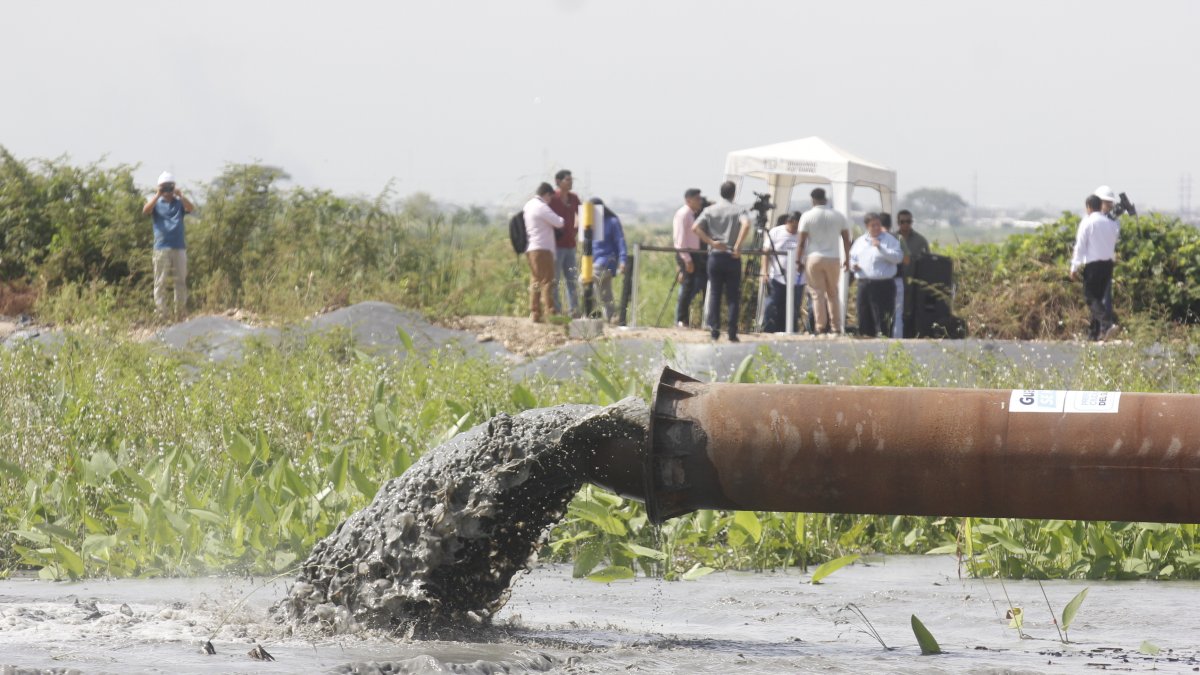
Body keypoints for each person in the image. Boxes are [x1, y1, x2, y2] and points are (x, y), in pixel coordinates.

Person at [693, 181, 751, 342]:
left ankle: (715, 330)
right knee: (733, 295)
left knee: (714, 293)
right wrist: (738, 246)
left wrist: (711, 242)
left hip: (715, 255)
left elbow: (695, 228)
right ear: (734, 193)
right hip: (732, 255)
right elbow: (746, 224)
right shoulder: (739, 210)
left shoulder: (710, 210)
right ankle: (732, 332)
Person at [798, 188, 851, 335]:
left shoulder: (807, 216)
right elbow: (847, 239)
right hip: (834, 258)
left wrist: (798, 260)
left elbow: (801, 241)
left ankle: (820, 326)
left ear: (812, 200)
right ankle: (836, 327)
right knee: (833, 293)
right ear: (825, 199)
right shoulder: (839, 216)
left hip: (814, 258)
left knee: (817, 294)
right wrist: (847, 259)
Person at [141, 171, 194, 319]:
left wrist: (180, 196)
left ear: (174, 187)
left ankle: (180, 312)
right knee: (160, 282)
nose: (167, 191)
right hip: (161, 248)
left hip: (179, 247)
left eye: (169, 187)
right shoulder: (156, 204)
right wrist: (158, 195)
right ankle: (161, 313)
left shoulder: (179, 203)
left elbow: (191, 208)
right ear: (159, 188)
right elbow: (145, 210)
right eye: (164, 187)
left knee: (180, 281)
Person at [1070, 194, 1120, 341]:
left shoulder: (1088, 222)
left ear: (1089, 207)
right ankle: (1093, 334)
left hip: (1093, 265)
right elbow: (1115, 240)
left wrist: (1074, 266)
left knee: (1090, 297)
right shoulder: (1111, 223)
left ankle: (1107, 324)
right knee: (1097, 299)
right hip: (1108, 265)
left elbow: (1080, 246)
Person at [849, 213, 904, 337]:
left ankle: (883, 339)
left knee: (883, 316)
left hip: (883, 284)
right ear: (867, 226)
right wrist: (853, 265)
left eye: (878, 225)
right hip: (864, 283)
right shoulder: (860, 241)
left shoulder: (889, 240)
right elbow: (852, 257)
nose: (876, 228)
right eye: (873, 225)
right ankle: (866, 337)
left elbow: (898, 258)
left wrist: (881, 248)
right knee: (864, 313)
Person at [523, 182, 564, 323]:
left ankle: (535, 312)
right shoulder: (541, 206)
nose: (550, 200)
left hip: (532, 248)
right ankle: (550, 312)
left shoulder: (528, 205)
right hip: (543, 249)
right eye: (550, 197)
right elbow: (559, 222)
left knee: (535, 280)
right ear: (546, 194)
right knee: (547, 281)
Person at [761, 211, 806, 333]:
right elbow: (766, 252)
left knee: (793, 307)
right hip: (777, 277)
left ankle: (790, 330)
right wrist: (765, 272)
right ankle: (769, 331)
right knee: (773, 305)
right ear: (788, 222)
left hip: (797, 279)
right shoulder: (776, 232)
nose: (796, 229)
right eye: (794, 226)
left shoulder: (804, 234)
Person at [548, 169, 582, 317]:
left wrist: (576, 230)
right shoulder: (552, 199)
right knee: (555, 279)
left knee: (572, 279)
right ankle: (556, 309)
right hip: (555, 245)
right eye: (567, 180)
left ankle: (574, 310)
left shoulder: (574, 198)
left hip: (570, 245)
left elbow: (582, 215)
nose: (570, 182)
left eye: (571, 179)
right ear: (558, 181)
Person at [673, 188, 708, 327]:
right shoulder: (684, 214)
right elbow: (680, 239)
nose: (700, 202)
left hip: (693, 253)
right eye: (697, 199)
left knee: (690, 287)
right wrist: (687, 259)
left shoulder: (691, 214)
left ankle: (684, 319)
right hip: (687, 253)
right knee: (687, 287)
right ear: (689, 200)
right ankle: (681, 319)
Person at [588, 197, 627, 322]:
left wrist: (623, 260)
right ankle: (612, 317)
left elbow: (620, 241)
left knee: (585, 279)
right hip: (593, 261)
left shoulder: (612, 222)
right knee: (605, 292)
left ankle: (592, 311)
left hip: (607, 260)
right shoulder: (590, 223)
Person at [896, 209, 930, 338]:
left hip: (914, 282)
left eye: (908, 221)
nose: (905, 224)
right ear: (898, 222)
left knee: (913, 311)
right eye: (902, 221)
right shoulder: (892, 238)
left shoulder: (920, 241)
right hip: (897, 281)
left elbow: (927, 261)